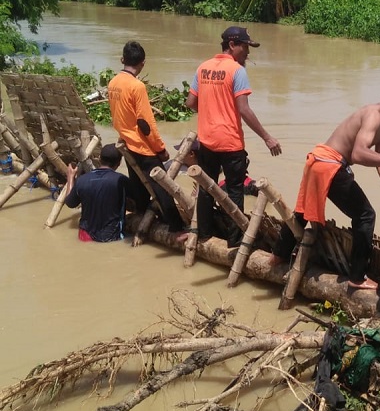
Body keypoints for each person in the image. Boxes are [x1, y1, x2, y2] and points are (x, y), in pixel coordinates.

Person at [272, 79, 380, 290]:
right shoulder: (374, 116)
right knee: (365, 215)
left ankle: (278, 256)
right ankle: (357, 276)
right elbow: (359, 154)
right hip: (329, 164)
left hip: (321, 161)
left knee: (303, 211)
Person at [185, 25, 282, 247]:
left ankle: (204, 235)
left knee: (207, 188)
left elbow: (190, 103)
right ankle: (235, 241)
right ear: (232, 45)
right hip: (230, 142)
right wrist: (267, 137)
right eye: (245, 47)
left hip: (207, 141)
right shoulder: (237, 71)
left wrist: (210, 112)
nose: (248, 52)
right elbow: (244, 109)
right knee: (236, 191)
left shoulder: (203, 68)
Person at [107, 40, 186, 236]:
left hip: (125, 141)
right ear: (143, 63)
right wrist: (160, 149)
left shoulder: (113, 82)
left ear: (122, 59)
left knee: (138, 183)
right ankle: (177, 228)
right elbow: (146, 124)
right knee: (163, 188)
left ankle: (141, 214)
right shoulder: (137, 86)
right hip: (142, 145)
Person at [64, 143, 130, 242]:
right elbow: (136, 203)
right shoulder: (121, 180)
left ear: (99, 159)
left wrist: (70, 177)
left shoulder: (82, 180)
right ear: (119, 163)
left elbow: (70, 203)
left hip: (84, 236)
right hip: (110, 237)